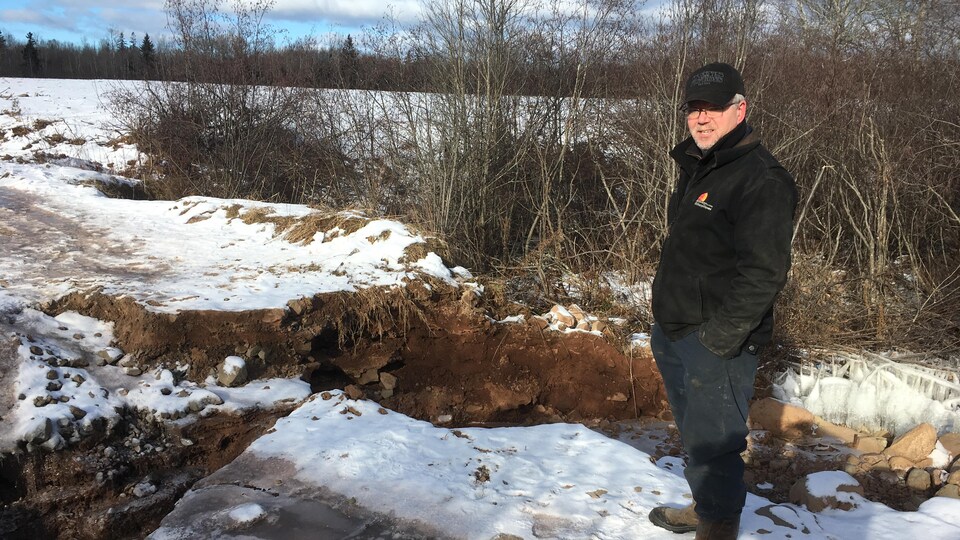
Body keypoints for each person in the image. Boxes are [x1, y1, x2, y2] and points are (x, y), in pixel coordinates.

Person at [646, 62, 797, 539]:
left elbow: (764, 272)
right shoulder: (701, 164)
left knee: (717, 442)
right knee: (696, 433)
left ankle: (718, 526)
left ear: (740, 109)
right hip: (676, 328)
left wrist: (718, 340)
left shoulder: (761, 179)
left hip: (716, 341)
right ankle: (705, 506)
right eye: (694, 108)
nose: (701, 117)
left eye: (713, 107)